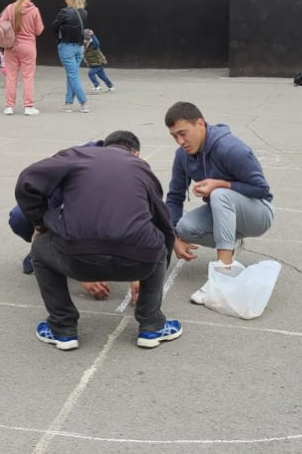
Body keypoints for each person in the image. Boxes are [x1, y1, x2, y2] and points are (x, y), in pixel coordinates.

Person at [16, 132, 180, 350]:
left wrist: (40, 222)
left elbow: (27, 179)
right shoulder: (142, 168)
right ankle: (152, 325)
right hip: (137, 263)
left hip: (78, 258)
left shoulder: (78, 155)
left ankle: (62, 328)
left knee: (39, 247)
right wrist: (150, 269)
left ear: (104, 146)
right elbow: (163, 224)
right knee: (158, 244)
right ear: (136, 154)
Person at [163, 102, 275, 304]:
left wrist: (221, 184)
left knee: (219, 194)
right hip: (224, 212)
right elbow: (174, 197)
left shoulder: (231, 148)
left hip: (259, 213)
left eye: (183, 133)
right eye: (174, 136)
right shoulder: (182, 156)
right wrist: (173, 236)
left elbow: (262, 190)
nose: (180, 141)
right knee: (184, 228)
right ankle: (230, 244)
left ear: (200, 123)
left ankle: (223, 273)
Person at [8, 132, 141, 301]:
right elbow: (75, 219)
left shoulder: (134, 172)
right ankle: (45, 250)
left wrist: (139, 273)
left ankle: (53, 250)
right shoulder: (78, 158)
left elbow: (136, 218)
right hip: (57, 201)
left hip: (80, 208)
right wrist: (83, 272)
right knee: (20, 218)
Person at [0, 0, 44, 116]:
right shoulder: (34, 10)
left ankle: (9, 106)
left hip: (11, 46)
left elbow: (0, 24)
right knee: (28, 77)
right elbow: (39, 30)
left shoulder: (9, 8)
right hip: (28, 47)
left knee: (11, 77)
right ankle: (28, 107)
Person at [53, 0, 89, 113]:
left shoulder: (64, 12)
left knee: (72, 75)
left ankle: (83, 102)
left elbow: (54, 26)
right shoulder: (84, 12)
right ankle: (68, 103)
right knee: (72, 75)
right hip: (79, 47)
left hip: (66, 46)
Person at [84, 29, 114, 93]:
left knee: (91, 73)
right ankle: (110, 86)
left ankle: (97, 86)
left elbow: (97, 43)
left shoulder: (93, 44)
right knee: (102, 76)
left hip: (99, 62)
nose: (84, 40)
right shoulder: (84, 45)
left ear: (88, 38)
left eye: (85, 39)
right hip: (93, 64)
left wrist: (92, 35)